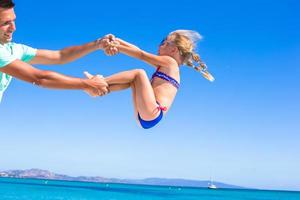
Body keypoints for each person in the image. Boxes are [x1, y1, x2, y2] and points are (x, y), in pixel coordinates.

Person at [92, 30, 214, 129]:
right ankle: (101, 89)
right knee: (133, 81)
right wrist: (118, 41)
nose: (159, 46)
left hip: (153, 111)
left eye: (164, 43)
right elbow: (139, 51)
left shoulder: (171, 63)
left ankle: (98, 82)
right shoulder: (166, 66)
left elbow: (141, 55)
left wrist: (116, 46)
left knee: (139, 73)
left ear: (174, 49)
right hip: (148, 116)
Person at [0, 0, 117, 102]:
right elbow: (40, 78)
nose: (13, 28)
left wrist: (97, 44)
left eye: (13, 21)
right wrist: (89, 84)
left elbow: (60, 56)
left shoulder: (12, 49)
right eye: (5, 23)